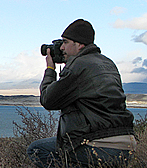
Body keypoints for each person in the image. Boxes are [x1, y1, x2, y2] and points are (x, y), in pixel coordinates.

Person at [27, 19, 136, 167]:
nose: (61, 48)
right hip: (125, 144)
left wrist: (50, 70)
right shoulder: (107, 62)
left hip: (100, 144)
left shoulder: (79, 65)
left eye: (65, 42)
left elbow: (48, 100)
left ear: (79, 44)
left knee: (37, 150)